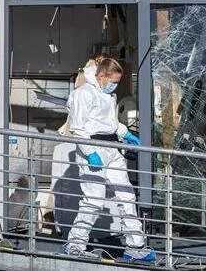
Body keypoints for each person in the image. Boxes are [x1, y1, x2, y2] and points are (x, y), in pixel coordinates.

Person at [62, 58, 155, 262]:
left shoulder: (108, 95)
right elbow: (78, 129)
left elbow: (110, 123)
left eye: (117, 82)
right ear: (101, 75)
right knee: (94, 200)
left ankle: (135, 244)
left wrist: (125, 133)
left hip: (112, 148)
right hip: (93, 148)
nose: (114, 85)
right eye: (113, 81)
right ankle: (75, 243)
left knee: (126, 195)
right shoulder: (83, 94)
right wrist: (89, 153)